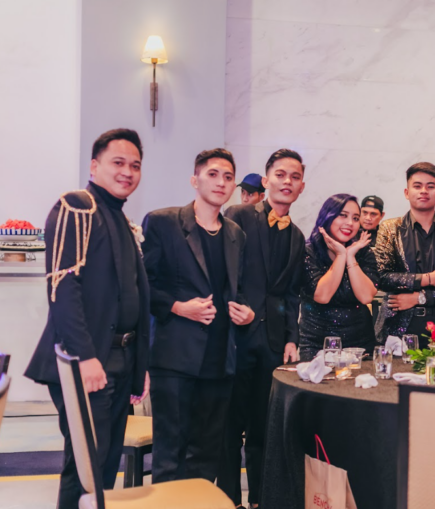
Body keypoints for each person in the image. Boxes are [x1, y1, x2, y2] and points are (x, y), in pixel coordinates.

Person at [24, 129, 151, 508]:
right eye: (118, 162)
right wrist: (84, 357)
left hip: (120, 359)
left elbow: (134, 296)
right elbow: (62, 288)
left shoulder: (119, 218)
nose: (127, 171)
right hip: (90, 359)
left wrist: (139, 365)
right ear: (94, 166)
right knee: (85, 470)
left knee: (105, 467)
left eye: (135, 165)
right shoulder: (77, 206)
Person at [141, 148, 253, 485]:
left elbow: (236, 289)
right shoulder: (163, 222)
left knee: (207, 455)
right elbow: (143, 285)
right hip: (175, 358)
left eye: (228, 177)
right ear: (195, 179)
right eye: (213, 174)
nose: (221, 182)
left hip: (220, 360)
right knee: (171, 454)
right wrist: (178, 306)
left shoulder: (235, 234)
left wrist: (246, 312)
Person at [219, 148, 306, 508]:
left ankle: (259, 499)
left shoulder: (297, 236)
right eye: (281, 175)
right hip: (236, 338)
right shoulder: (238, 215)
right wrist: (234, 306)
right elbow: (224, 272)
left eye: (295, 177)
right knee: (229, 428)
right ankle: (228, 500)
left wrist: (291, 338)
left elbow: (291, 294)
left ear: (302, 186)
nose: (287, 182)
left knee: (262, 428)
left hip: (272, 345)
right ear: (267, 179)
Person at [374, 162, 435, 348]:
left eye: (430, 186)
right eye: (417, 186)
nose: (424, 191)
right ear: (407, 192)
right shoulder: (389, 229)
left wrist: (421, 297)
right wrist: (428, 279)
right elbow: (382, 277)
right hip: (399, 325)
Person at [299, 194, 379, 360]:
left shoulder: (363, 252)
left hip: (360, 344)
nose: (350, 223)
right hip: (317, 344)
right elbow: (322, 296)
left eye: (355, 218)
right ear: (327, 217)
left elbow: (366, 296)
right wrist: (341, 256)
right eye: (342, 215)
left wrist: (350, 256)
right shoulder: (308, 251)